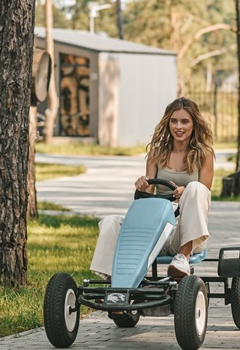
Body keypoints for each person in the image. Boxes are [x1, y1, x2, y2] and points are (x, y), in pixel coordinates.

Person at [90, 97, 215, 279]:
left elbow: (203, 195)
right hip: (156, 228)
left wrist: (185, 193)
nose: (178, 127)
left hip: (185, 231)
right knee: (110, 222)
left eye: (184, 121)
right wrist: (143, 185)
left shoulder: (205, 154)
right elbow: (147, 199)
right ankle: (115, 285)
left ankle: (182, 258)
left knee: (195, 188)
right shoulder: (157, 153)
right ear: (168, 123)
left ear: (194, 124)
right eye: (174, 121)